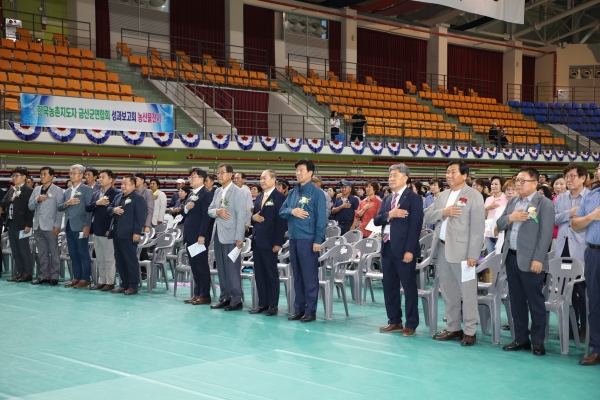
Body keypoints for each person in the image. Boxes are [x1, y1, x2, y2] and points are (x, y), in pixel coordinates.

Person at [425, 161, 485, 346]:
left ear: (464, 176)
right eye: (447, 172)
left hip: (464, 252)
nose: (449, 175)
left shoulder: (474, 196)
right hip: (443, 248)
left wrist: (473, 254)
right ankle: (453, 327)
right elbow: (428, 216)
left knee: (467, 293)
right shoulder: (443, 195)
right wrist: (444, 212)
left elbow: (477, 228)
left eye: (453, 172)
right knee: (448, 292)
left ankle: (470, 330)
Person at [496, 167, 554, 356]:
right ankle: (521, 338)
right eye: (517, 180)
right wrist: (511, 218)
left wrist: (538, 258)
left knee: (535, 302)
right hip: (511, 257)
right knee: (516, 300)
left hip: (532, 261)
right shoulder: (513, 201)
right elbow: (499, 224)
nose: (518, 184)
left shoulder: (544, 204)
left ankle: (538, 341)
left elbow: (546, 234)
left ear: (535, 183)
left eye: (523, 181)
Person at [374, 164, 424, 337]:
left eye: (395, 175)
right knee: (389, 286)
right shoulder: (387, 199)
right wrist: (391, 214)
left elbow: (415, 226)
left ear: (405, 177)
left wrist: (410, 250)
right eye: (390, 176)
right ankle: (394, 320)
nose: (391, 178)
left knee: (409, 287)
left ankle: (411, 323)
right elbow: (377, 220)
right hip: (387, 247)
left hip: (404, 250)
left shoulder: (413, 198)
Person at [280, 159, 326, 323]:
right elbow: (282, 211)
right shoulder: (293, 192)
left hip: (308, 240)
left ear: (310, 173)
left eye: (301, 170)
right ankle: (299, 309)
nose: (298, 173)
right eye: (297, 170)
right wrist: (293, 211)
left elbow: (321, 219)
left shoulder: (317, 193)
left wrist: (318, 240)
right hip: (293, 239)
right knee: (297, 276)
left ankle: (310, 311)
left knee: (309, 277)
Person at [208, 164, 251, 311]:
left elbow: (241, 215)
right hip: (218, 234)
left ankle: (236, 299)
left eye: (222, 173)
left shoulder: (238, 192)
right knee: (221, 268)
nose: (219, 175)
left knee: (232, 269)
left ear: (231, 174)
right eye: (218, 173)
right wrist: (217, 211)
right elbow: (210, 210)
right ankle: (224, 297)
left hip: (232, 236)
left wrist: (239, 237)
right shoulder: (217, 191)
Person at [554, 164, 589, 343]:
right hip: (563, 246)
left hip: (582, 248)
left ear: (583, 178)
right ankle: (568, 326)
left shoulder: (591, 197)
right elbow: (552, 219)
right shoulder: (560, 198)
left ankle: (585, 329)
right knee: (563, 290)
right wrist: (569, 213)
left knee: (582, 291)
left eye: (573, 176)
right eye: (567, 176)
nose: (569, 180)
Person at [250, 169, 287, 316]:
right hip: (257, 240)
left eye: (264, 178)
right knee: (259, 273)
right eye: (261, 178)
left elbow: (281, 222)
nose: (262, 181)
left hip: (271, 242)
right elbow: (255, 215)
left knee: (271, 274)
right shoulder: (260, 196)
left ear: (273, 179)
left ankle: (273, 304)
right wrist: (253, 218)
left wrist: (278, 242)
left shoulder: (279, 197)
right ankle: (262, 303)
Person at [572, 179, 600, 365]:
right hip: (593, 253)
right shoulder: (592, 195)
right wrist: (592, 216)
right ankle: (597, 348)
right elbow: (575, 224)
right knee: (595, 302)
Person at [108, 175, 146, 295]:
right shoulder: (118, 196)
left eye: (126, 184)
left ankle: (133, 285)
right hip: (117, 232)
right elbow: (109, 208)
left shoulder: (138, 198)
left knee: (130, 260)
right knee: (120, 260)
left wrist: (137, 232)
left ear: (133, 185)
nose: (123, 186)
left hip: (129, 234)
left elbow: (140, 217)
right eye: (122, 183)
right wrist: (114, 210)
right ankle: (124, 284)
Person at [182, 168, 214, 305]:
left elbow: (206, 217)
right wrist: (186, 208)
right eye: (190, 176)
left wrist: (202, 235)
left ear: (201, 179)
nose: (190, 179)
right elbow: (184, 212)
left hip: (199, 237)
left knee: (202, 267)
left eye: (193, 177)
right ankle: (197, 293)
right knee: (194, 267)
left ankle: (205, 295)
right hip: (190, 235)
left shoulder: (206, 194)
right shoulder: (191, 194)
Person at [58, 164, 93, 288]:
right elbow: (59, 207)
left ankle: (86, 278)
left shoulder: (87, 189)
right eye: (70, 173)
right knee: (73, 254)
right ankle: (76, 277)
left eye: (74, 173)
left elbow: (90, 209)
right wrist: (67, 203)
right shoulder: (67, 191)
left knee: (83, 253)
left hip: (81, 226)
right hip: (69, 226)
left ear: (81, 175)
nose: (71, 175)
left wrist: (87, 225)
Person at [28, 167, 63, 285]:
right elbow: (30, 206)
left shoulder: (57, 190)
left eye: (45, 174)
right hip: (38, 226)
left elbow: (60, 209)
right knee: (42, 253)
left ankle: (55, 276)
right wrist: (37, 200)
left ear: (52, 176)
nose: (42, 176)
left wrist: (57, 225)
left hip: (51, 226)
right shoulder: (36, 190)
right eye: (41, 174)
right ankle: (44, 276)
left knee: (54, 252)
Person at [85, 169, 118, 291]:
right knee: (100, 257)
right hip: (96, 229)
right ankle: (101, 281)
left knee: (109, 258)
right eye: (99, 177)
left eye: (103, 177)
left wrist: (111, 228)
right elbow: (88, 207)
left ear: (111, 179)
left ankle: (110, 282)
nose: (100, 179)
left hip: (107, 230)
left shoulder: (115, 194)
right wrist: (97, 203)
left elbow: (115, 214)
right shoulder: (97, 193)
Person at [1, 167, 35, 282]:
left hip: (22, 225)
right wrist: (11, 199)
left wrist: (28, 224)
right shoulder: (12, 190)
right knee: (15, 250)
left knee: (24, 250)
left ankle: (28, 273)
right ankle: (20, 273)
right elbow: (3, 203)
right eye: (13, 176)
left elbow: (31, 209)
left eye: (17, 176)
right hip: (11, 224)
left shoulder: (29, 190)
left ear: (24, 177)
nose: (14, 178)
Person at [484, 176, 508, 255]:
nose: (493, 186)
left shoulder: (506, 198)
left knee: (499, 256)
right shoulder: (488, 199)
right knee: (490, 256)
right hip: (488, 232)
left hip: (500, 232)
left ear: (502, 186)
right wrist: (487, 208)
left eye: (496, 184)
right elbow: (484, 217)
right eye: (492, 184)